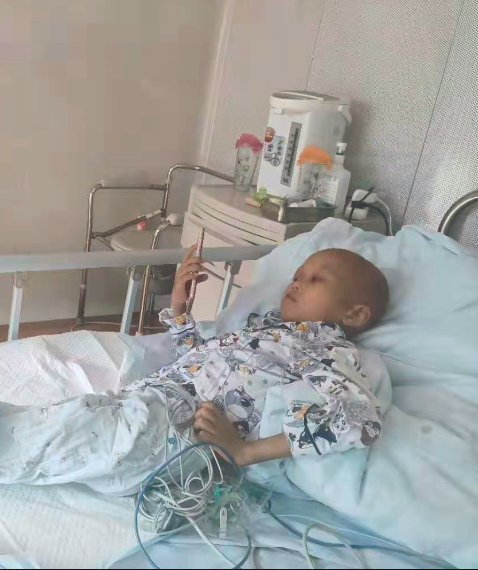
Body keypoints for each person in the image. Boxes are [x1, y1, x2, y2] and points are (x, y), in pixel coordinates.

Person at [0, 247, 389, 495]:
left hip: (174, 429)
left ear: (354, 314)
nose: (297, 283)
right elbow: (200, 363)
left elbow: (362, 422)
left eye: (315, 279)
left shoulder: (327, 351)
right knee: (51, 422)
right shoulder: (266, 330)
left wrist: (246, 451)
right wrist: (180, 310)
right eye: (297, 276)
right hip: (146, 404)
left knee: (50, 436)